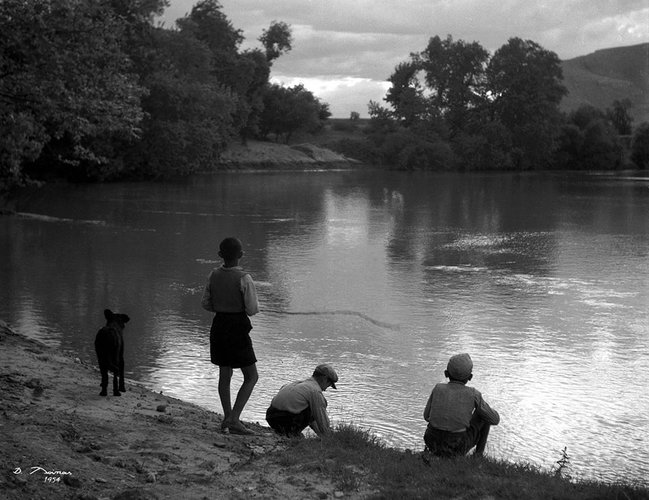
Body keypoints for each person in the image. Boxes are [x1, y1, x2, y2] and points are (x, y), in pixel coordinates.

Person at [202, 237, 259, 435]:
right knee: (251, 376)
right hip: (237, 327)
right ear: (241, 255)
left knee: (224, 374)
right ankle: (234, 419)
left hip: (219, 326)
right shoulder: (245, 278)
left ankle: (227, 417)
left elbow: (206, 304)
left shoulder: (213, 274)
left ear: (220, 255)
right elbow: (252, 309)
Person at [423, 353, 500, 457]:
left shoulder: (438, 388)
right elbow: (494, 420)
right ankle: (478, 456)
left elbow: (426, 416)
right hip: (457, 446)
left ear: (446, 373)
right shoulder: (474, 394)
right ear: (470, 377)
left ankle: (435, 453)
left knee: (482, 413)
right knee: (483, 415)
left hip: (431, 442)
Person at [266, 364, 338, 437]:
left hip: (271, 418)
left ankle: (320, 435)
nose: (325, 389)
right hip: (286, 422)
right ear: (324, 379)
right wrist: (328, 435)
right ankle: (292, 434)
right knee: (316, 406)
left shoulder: (295, 383)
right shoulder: (315, 391)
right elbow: (322, 421)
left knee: (310, 406)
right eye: (329, 384)